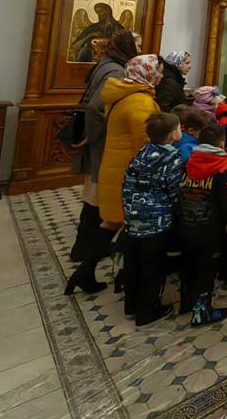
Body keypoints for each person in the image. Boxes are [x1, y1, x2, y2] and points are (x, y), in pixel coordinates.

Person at [66, 54, 162, 295]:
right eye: (158, 71)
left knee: (113, 223)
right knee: (130, 225)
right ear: (147, 73)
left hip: (116, 166)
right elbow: (146, 143)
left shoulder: (124, 93)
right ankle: (124, 277)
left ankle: (86, 271)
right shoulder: (139, 102)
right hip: (129, 172)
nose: (160, 75)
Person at [68, 30, 138, 262]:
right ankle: (85, 252)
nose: (139, 47)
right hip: (104, 143)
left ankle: (84, 249)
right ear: (126, 46)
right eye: (136, 43)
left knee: (95, 196)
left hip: (102, 141)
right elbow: (97, 107)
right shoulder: (116, 70)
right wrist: (92, 135)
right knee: (98, 199)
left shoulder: (109, 64)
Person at [121, 112, 183, 326]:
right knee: (153, 269)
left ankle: (131, 305)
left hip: (133, 218)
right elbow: (174, 190)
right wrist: (177, 211)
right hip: (156, 221)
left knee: (133, 265)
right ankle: (147, 312)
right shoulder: (172, 158)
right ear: (173, 134)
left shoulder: (141, 152)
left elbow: (128, 181)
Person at [179, 123, 227, 325]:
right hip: (210, 226)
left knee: (189, 264)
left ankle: (186, 301)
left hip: (186, 222)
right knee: (207, 268)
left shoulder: (189, 160)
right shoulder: (223, 166)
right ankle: (202, 310)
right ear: (222, 143)